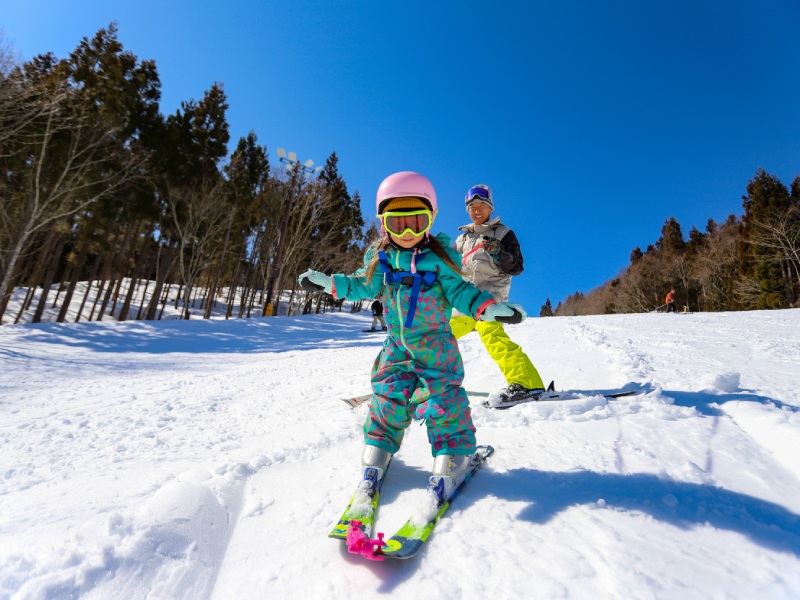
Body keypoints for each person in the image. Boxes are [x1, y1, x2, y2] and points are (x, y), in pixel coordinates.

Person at [299, 171, 526, 507]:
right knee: (387, 397)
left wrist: (489, 309)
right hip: (396, 348)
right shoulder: (381, 259)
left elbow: (463, 293)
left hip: (436, 348)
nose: (407, 232)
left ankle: (454, 452)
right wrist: (330, 284)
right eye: (397, 222)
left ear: (430, 220)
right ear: (383, 224)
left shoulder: (440, 261)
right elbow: (361, 285)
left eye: (416, 222)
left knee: (443, 401)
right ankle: (378, 447)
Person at [451, 183, 546, 404]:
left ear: (490, 208)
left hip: (489, 301)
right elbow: (450, 269)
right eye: (472, 206)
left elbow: (516, 267)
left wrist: (499, 253)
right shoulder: (462, 239)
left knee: (493, 338)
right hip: (466, 301)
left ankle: (527, 384)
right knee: (440, 336)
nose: (477, 210)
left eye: (481, 206)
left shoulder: (504, 234)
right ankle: (420, 383)